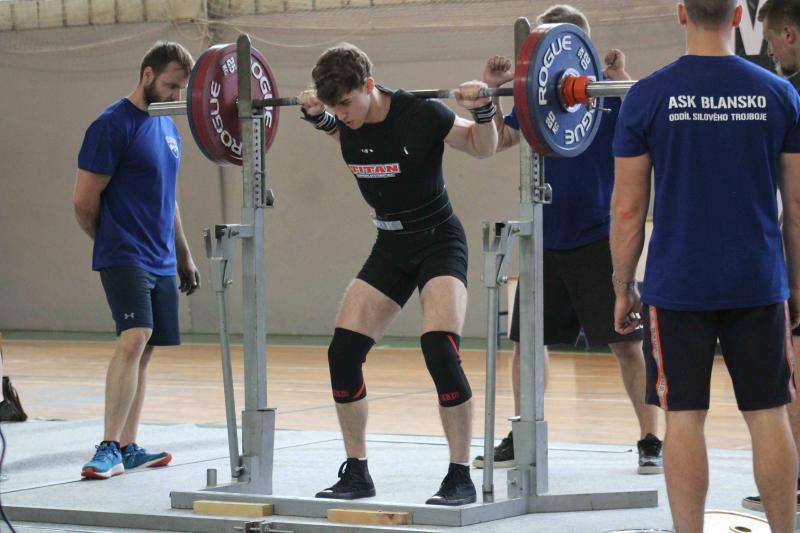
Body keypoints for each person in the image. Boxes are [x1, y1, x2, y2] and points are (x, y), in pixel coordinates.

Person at [611, 0, 800, 530]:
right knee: (769, 413)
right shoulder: (779, 94)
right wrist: (795, 286)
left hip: (678, 285)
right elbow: (797, 207)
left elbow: (627, 209)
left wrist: (623, 285)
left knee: (684, 419)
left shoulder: (647, 96)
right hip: (758, 281)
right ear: (739, 17)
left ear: (681, 13)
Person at [297, 43, 497, 505]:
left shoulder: (421, 113)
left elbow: (481, 147)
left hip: (439, 240)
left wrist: (484, 110)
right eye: (333, 107)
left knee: (439, 349)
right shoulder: (345, 120)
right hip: (390, 245)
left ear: (369, 85)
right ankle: (357, 472)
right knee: (343, 353)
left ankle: (460, 475)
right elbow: (345, 133)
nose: (341, 114)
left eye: (345, 103)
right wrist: (319, 116)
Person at [472, 3, 662, 475]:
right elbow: (498, 141)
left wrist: (621, 79)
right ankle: (524, 431)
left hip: (598, 239)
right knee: (528, 343)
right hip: (544, 238)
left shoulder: (611, 96)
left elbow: (652, 130)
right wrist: (494, 92)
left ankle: (652, 437)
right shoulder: (536, 101)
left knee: (627, 343)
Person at [73, 41, 199, 479]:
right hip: (125, 253)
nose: (175, 96)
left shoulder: (169, 129)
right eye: (170, 86)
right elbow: (83, 201)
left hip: (161, 257)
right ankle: (107, 446)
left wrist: (183, 255)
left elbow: (169, 198)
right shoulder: (111, 125)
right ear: (147, 75)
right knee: (134, 336)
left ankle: (128, 446)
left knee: (144, 350)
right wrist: (112, 242)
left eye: (181, 89)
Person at [743, 0, 800, 513]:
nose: (770, 52)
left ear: (789, 34)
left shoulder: (789, 94)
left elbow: (795, 203)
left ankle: (794, 490)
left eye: (770, 40)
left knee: (792, 381)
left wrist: (794, 283)